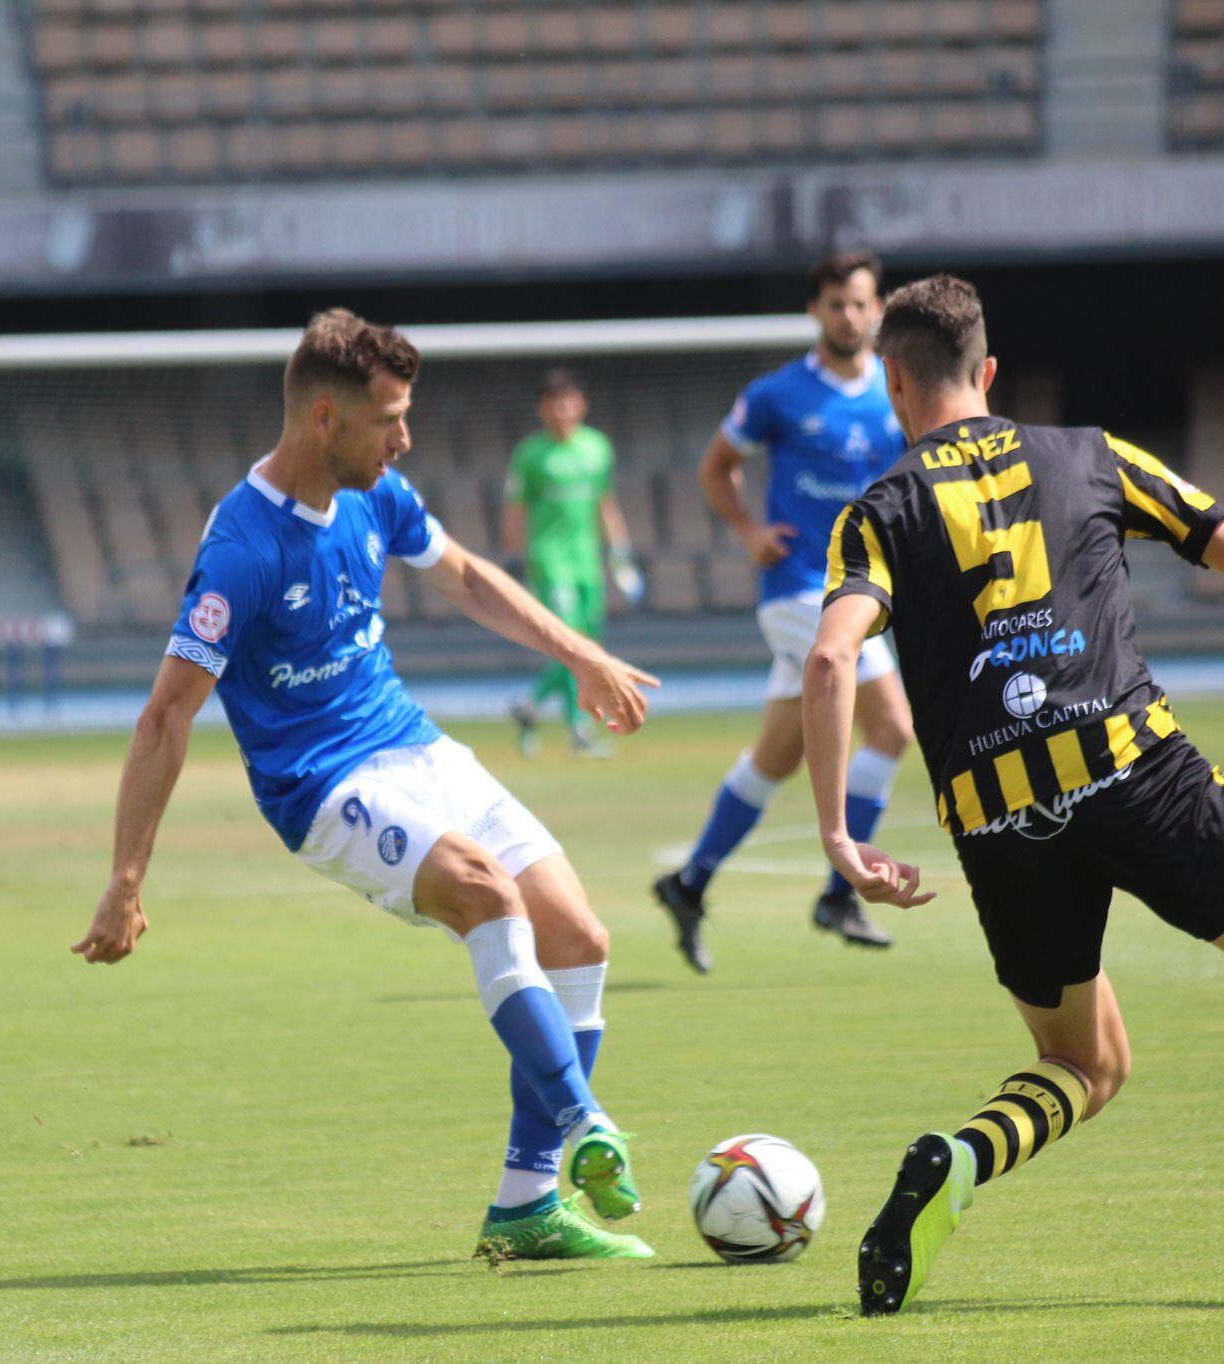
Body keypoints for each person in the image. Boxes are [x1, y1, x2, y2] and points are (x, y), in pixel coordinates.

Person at [810, 273, 1224, 1316]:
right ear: (987, 372)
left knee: (1081, 1060)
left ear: (891, 380)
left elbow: (827, 663)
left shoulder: (876, 511)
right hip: (1134, 774)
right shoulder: (1088, 453)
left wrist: (836, 834)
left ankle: (955, 1158)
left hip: (995, 821)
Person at [71, 310, 662, 1261]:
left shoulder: (377, 491)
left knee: (579, 934)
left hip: (413, 745)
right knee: (486, 893)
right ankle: (586, 1118)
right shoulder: (242, 549)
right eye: (389, 418)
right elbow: (166, 715)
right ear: (322, 420)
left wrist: (583, 655)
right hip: (321, 784)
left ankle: (527, 1204)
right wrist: (126, 876)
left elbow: (466, 576)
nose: (405, 437)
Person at [653, 251, 914, 971]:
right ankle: (841, 890)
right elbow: (716, 467)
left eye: (861, 303)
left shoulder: (892, 397)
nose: (849, 316)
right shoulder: (776, 394)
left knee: (778, 755)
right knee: (892, 724)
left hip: (857, 590)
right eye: (836, 304)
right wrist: (747, 530)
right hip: (802, 587)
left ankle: (689, 881)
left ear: (878, 308)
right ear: (815, 310)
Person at [503, 368, 645, 758]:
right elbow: (515, 510)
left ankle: (529, 706)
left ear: (581, 404)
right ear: (542, 408)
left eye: (568, 400)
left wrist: (619, 550)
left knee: (588, 645)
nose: (562, 409)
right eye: (554, 401)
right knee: (572, 644)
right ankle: (579, 730)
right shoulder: (531, 454)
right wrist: (513, 555)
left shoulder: (597, 448)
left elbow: (606, 503)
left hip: (588, 563)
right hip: (550, 562)